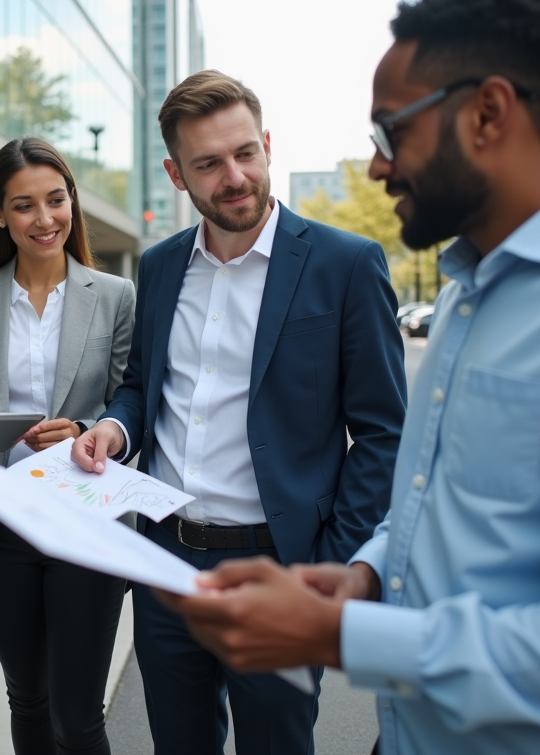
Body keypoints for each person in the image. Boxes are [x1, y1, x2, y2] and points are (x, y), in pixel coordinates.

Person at [157, 0, 540, 755]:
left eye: (390, 133)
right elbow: (437, 503)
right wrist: (365, 576)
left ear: (487, 113)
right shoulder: (464, 292)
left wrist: (351, 634)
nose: (377, 167)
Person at [71, 70, 407, 754]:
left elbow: (382, 434)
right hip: (165, 564)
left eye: (246, 152)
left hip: (279, 565)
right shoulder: (161, 267)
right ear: (175, 173)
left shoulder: (345, 265)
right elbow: (141, 385)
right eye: (208, 163)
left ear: (268, 145)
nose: (234, 176)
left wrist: (330, 566)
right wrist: (115, 426)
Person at [0, 137, 135, 755]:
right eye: (24, 205)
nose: (44, 219)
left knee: (78, 715)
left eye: (57, 201)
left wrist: (85, 433)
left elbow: (129, 403)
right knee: (27, 697)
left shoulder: (114, 297)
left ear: (73, 204)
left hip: (87, 521)